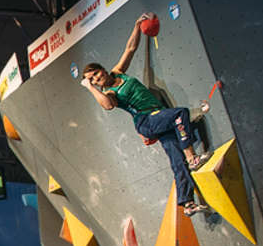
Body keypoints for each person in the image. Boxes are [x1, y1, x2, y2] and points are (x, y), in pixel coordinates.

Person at [80, 12, 212, 216]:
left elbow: (131, 48)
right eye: (93, 80)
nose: (97, 79)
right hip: (146, 122)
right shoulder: (109, 93)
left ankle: (187, 203)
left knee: (177, 159)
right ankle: (194, 158)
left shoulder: (118, 73)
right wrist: (89, 88)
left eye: (96, 74)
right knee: (180, 115)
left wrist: (137, 24)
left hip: (158, 117)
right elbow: (107, 106)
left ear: (103, 70)